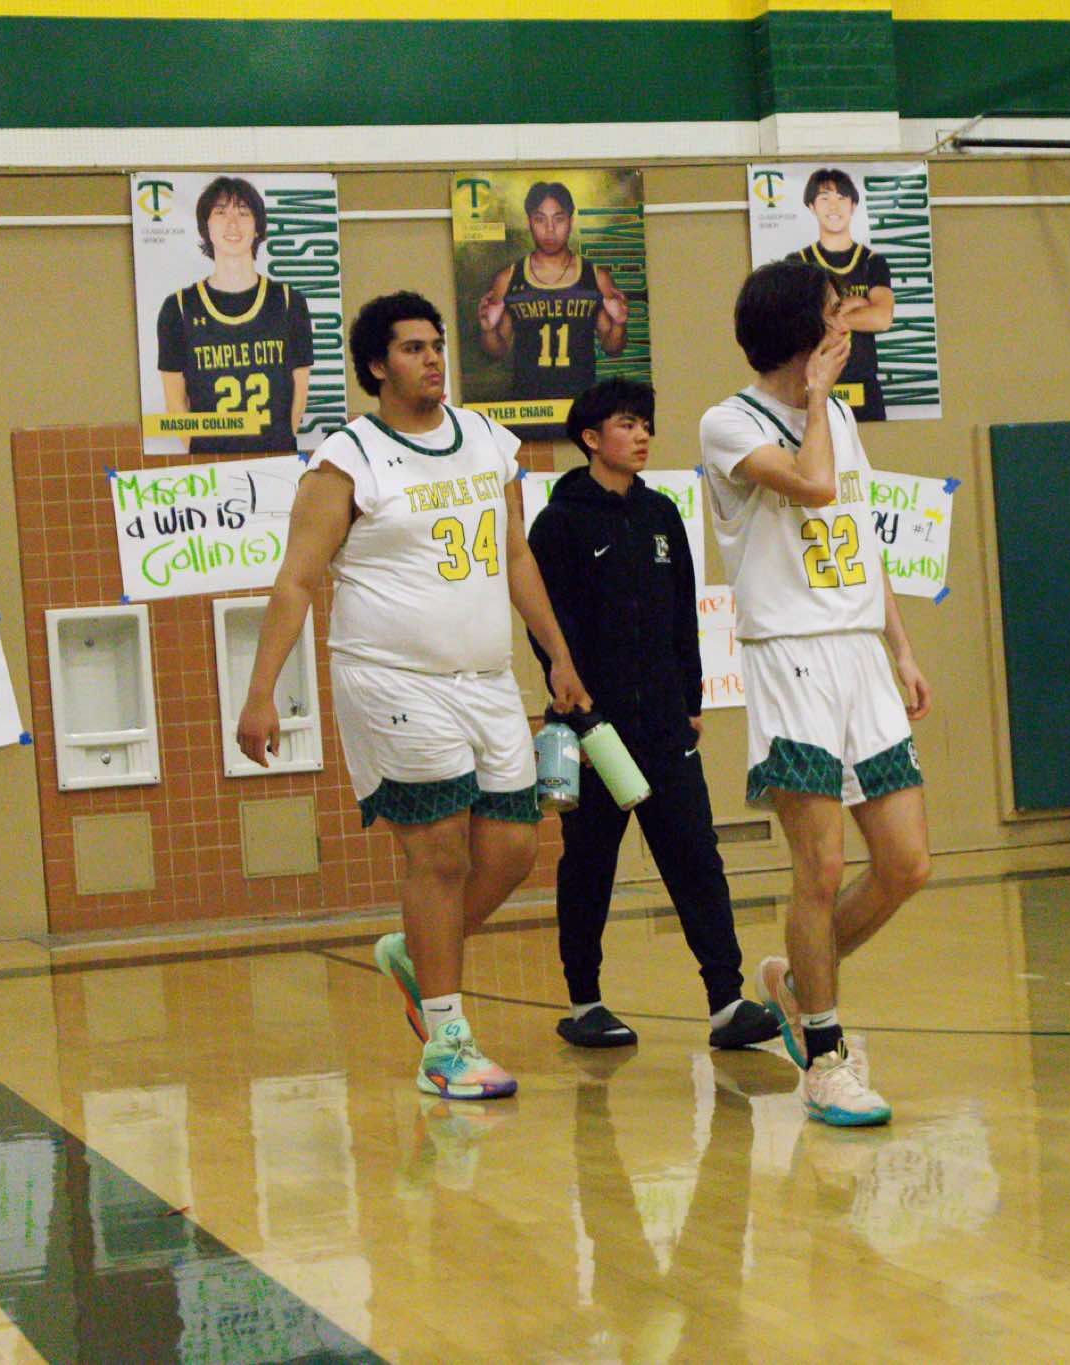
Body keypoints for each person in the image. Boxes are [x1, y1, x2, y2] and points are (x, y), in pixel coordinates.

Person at [237, 290, 589, 1099]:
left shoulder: (489, 441)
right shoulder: (347, 459)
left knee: (514, 849)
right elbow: (295, 580)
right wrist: (262, 693)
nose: (432, 359)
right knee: (438, 853)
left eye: (436, 345)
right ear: (376, 366)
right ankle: (446, 1043)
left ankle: (413, 952)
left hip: (486, 678)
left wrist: (558, 654)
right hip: (390, 678)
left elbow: (516, 556)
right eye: (411, 348)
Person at [697, 259, 934, 1128]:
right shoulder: (728, 422)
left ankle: (799, 983)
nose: (847, 323)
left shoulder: (835, 417)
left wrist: (899, 647)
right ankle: (826, 1056)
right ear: (803, 328)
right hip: (792, 656)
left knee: (906, 863)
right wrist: (819, 397)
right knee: (821, 868)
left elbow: (858, 533)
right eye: (835, 311)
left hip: (859, 653)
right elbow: (814, 485)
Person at [526, 378, 783, 1051]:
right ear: (591, 438)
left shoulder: (663, 514)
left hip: (666, 727)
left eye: (645, 424)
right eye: (626, 424)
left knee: (697, 858)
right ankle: (585, 1002)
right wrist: (577, 714)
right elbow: (548, 627)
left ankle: (727, 1002)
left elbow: (682, 614)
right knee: (590, 866)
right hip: (595, 730)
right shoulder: (558, 523)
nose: (642, 435)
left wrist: (690, 700)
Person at [155, 175, 315, 454]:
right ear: (206, 226)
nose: (232, 224)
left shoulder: (290, 303)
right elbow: (174, 401)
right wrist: (199, 449)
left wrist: (279, 445)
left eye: (243, 213)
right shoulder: (178, 308)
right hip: (211, 463)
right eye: (220, 212)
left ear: (258, 227)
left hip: (275, 458)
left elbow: (300, 393)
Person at [475, 181, 629, 405]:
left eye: (558, 219)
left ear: (571, 221)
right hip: (528, 407)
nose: (549, 229)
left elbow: (612, 347)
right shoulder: (508, 278)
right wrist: (488, 330)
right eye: (540, 219)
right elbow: (497, 351)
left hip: (581, 406)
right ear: (529, 221)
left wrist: (619, 324)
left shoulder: (595, 277)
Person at [783, 169, 893, 422]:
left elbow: (882, 318)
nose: (834, 206)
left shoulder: (872, 262)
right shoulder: (798, 262)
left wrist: (827, 317)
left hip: (864, 387)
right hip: (812, 383)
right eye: (824, 198)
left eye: (841, 198)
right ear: (811, 206)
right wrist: (858, 304)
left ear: (853, 206)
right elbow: (798, 323)